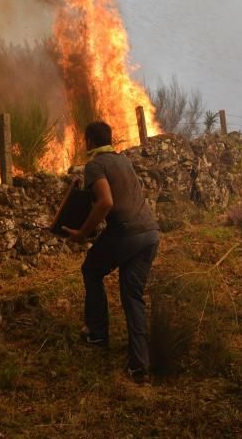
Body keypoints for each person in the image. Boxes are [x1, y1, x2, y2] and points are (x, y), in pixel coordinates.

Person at [61, 121, 160, 384]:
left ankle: (97, 333)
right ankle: (139, 365)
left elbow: (105, 201)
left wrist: (82, 233)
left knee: (90, 269)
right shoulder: (123, 160)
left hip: (126, 233)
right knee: (132, 296)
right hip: (150, 233)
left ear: (90, 142)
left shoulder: (96, 164)